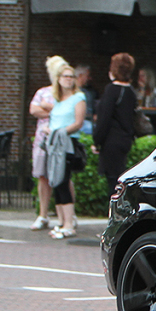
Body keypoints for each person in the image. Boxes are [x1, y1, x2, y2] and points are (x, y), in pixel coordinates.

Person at [44, 62, 86, 239]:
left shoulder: (79, 98)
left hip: (67, 144)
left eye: (71, 76)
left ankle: (69, 223)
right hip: (54, 144)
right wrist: (50, 130)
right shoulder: (57, 100)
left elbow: (78, 123)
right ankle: (61, 222)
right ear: (58, 80)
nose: (68, 80)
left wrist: (60, 132)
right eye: (65, 76)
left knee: (63, 180)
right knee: (55, 181)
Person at [29, 55, 68, 230]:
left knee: (63, 177)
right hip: (43, 139)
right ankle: (43, 214)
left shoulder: (67, 95)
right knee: (42, 176)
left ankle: (67, 216)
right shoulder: (42, 92)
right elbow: (33, 109)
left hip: (59, 139)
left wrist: (49, 108)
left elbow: (67, 113)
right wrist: (52, 111)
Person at [93, 52, 137, 192]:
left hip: (111, 141)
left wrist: (97, 141)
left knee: (113, 182)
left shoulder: (111, 90)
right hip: (125, 140)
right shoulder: (131, 91)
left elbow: (104, 119)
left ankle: (116, 213)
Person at [76, 64, 97, 136]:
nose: (90, 78)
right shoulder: (72, 92)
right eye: (87, 76)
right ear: (80, 76)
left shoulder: (90, 91)